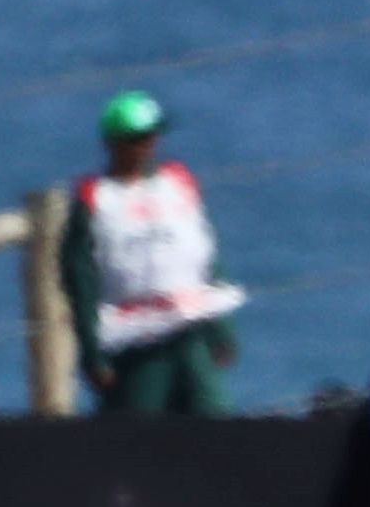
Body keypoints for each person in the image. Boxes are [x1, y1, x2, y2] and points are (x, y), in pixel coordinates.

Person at [62, 90, 246, 415]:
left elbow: (205, 257)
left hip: (190, 329)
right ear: (114, 143)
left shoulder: (177, 183)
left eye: (151, 136)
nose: (147, 146)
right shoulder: (95, 199)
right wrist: (93, 353)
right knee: (138, 426)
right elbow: (81, 283)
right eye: (136, 139)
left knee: (215, 417)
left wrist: (222, 328)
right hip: (134, 340)